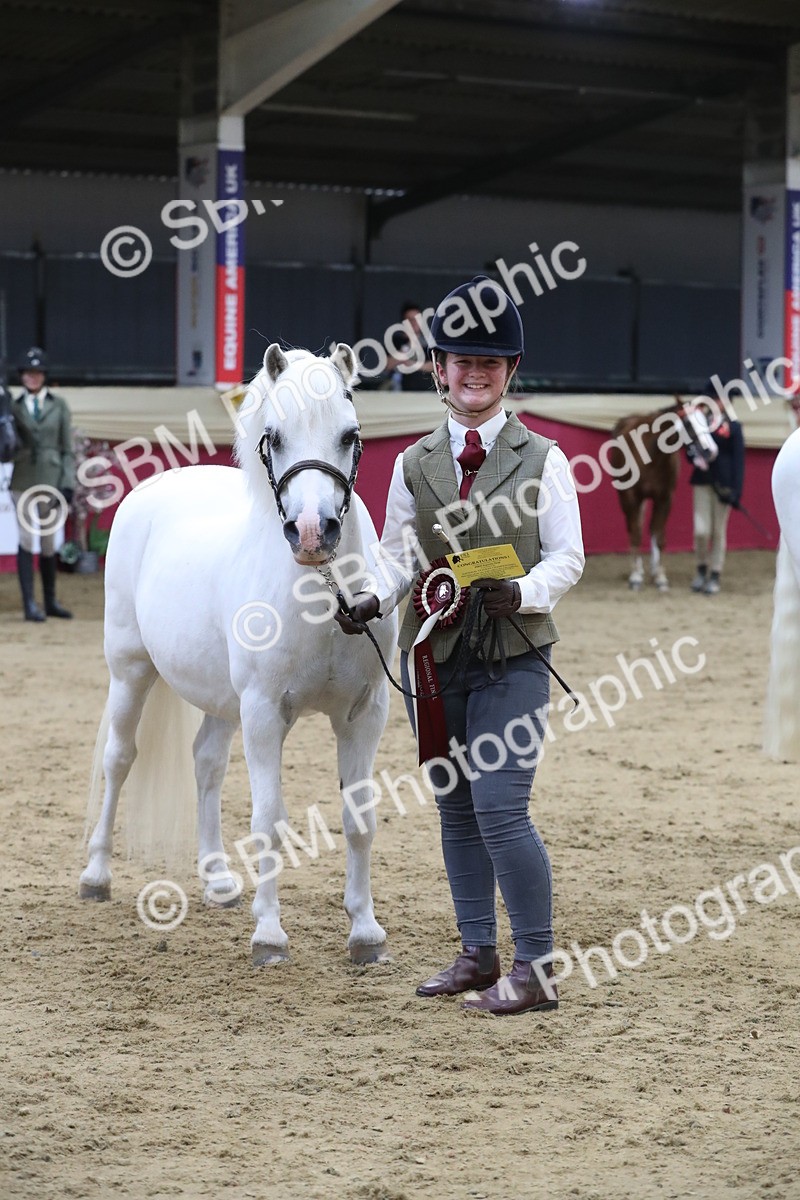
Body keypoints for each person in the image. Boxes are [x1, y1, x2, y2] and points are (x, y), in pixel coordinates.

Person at [336, 276, 584, 1015]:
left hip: (513, 657)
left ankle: (535, 966)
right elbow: (395, 556)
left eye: (490, 364)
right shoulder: (414, 464)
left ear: (510, 373)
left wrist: (524, 593)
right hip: (436, 660)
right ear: (438, 368)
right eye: (461, 362)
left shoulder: (546, 460)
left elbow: (566, 558)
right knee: (454, 811)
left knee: (503, 810)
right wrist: (370, 599)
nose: (474, 376)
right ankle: (478, 951)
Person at [11, 346, 75, 621]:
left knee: (48, 542)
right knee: (27, 539)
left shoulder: (58, 405)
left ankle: (49, 601)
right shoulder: (11, 407)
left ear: (44, 376)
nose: (32, 377)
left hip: (51, 479)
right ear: (22, 377)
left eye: (37, 373)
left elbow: (67, 447)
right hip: (23, 478)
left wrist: (68, 482)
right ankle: (29, 604)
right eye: (28, 373)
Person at [689, 389, 745, 596]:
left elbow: (738, 460)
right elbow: (690, 449)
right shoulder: (699, 423)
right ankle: (701, 567)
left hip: (723, 486)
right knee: (701, 530)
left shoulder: (734, 426)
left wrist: (736, 491)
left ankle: (714, 573)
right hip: (702, 482)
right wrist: (693, 456)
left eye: (719, 398)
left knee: (718, 531)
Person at [385, 301, 435, 392]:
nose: (414, 323)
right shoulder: (396, 341)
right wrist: (407, 346)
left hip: (425, 392)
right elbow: (387, 365)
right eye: (410, 320)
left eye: (417, 319)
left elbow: (434, 366)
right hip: (399, 392)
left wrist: (413, 365)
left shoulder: (429, 342)